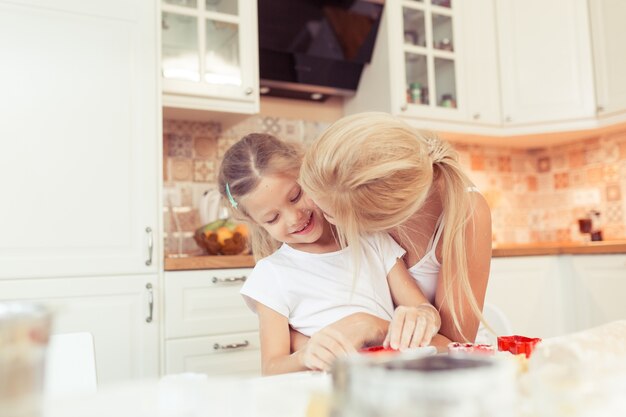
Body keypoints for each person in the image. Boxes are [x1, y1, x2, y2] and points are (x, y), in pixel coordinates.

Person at [217, 133, 441, 375]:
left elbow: (424, 309)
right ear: (255, 222)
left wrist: (423, 317)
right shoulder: (271, 274)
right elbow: (272, 367)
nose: (294, 218)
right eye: (273, 218)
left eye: (296, 196)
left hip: (392, 379)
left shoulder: (370, 239)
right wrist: (305, 356)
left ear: (309, 175)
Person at [299, 112, 492, 349]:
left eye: (328, 214)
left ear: (381, 221)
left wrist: (373, 327)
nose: (312, 213)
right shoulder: (336, 190)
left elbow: (454, 346)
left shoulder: (465, 214)